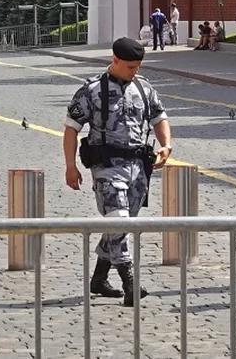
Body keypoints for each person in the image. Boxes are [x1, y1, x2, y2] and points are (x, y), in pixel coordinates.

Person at [63, 37, 174, 306]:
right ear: (114, 60)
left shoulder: (144, 88)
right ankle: (130, 283)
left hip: (138, 168)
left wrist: (167, 145)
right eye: (129, 67)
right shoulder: (91, 90)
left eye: (137, 67)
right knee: (120, 220)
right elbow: (71, 129)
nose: (134, 71)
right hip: (107, 166)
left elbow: (160, 118)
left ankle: (99, 279)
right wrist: (70, 165)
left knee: (121, 225)